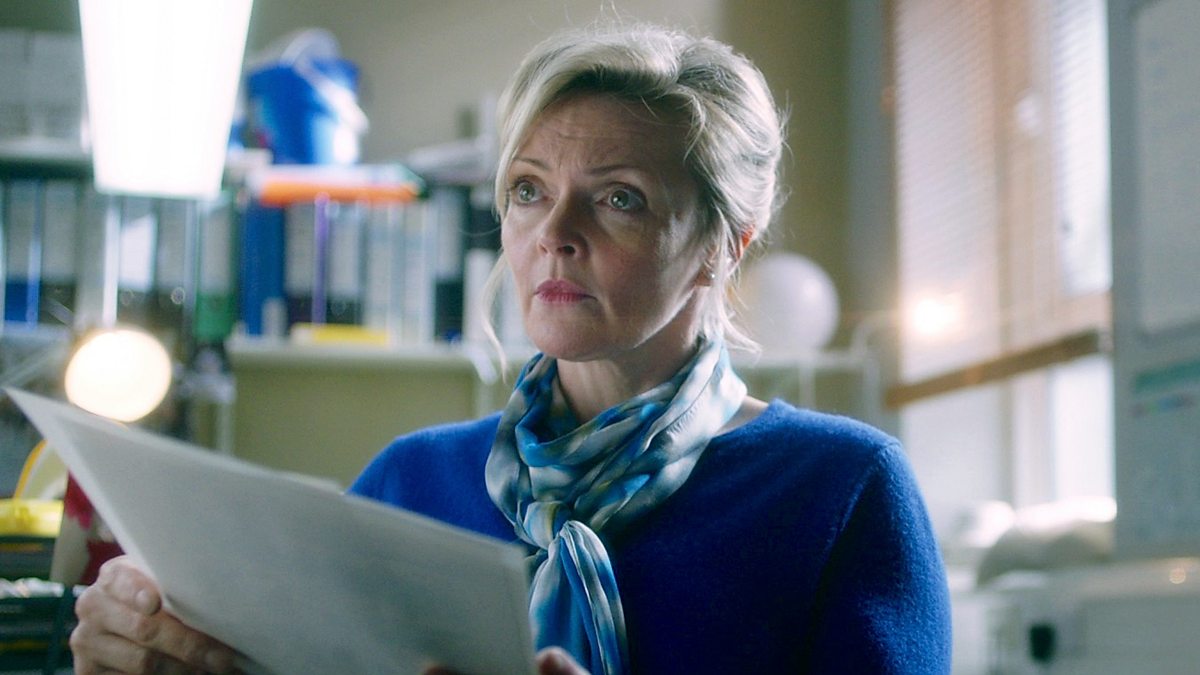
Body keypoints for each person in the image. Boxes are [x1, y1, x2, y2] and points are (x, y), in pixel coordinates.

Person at [68, 22, 952, 675]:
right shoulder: (410, 482)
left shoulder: (841, 489)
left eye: (619, 198)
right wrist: (146, 647)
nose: (553, 234)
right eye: (529, 190)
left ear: (724, 245)